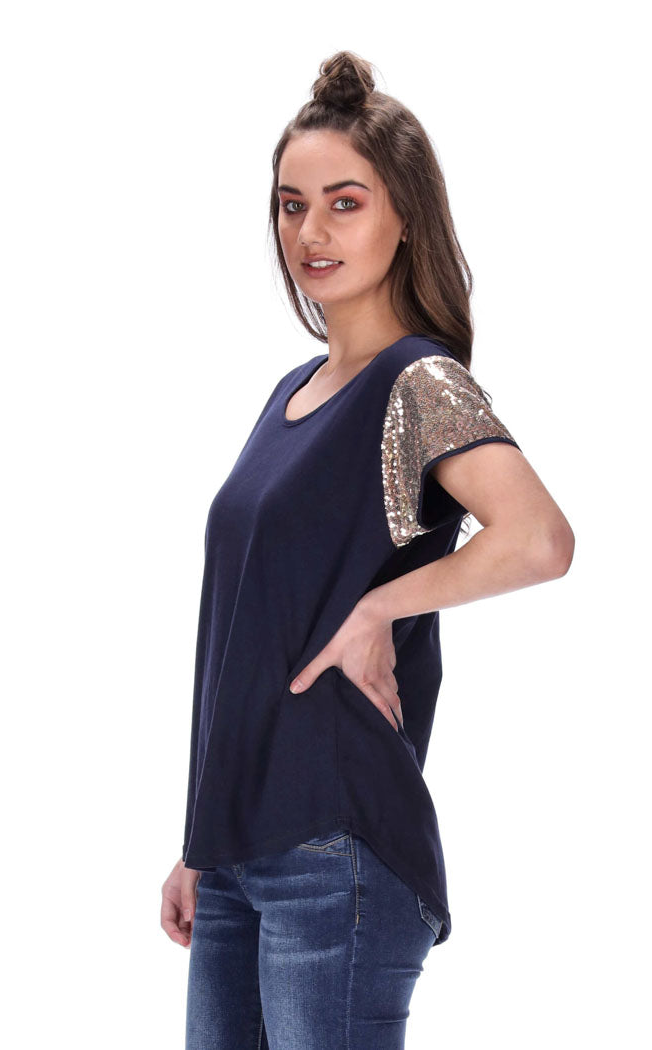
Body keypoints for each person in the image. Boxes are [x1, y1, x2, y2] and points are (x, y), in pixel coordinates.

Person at [160, 49, 574, 1050]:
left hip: (334, 849)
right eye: (291, 205)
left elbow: (539, 539)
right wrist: (199, 841)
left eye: (344, 203)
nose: (311, 232)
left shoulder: (418, 382)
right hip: (237, 853)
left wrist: (381, 606)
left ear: (404, 217)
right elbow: (244, 639)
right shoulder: (292, 392)